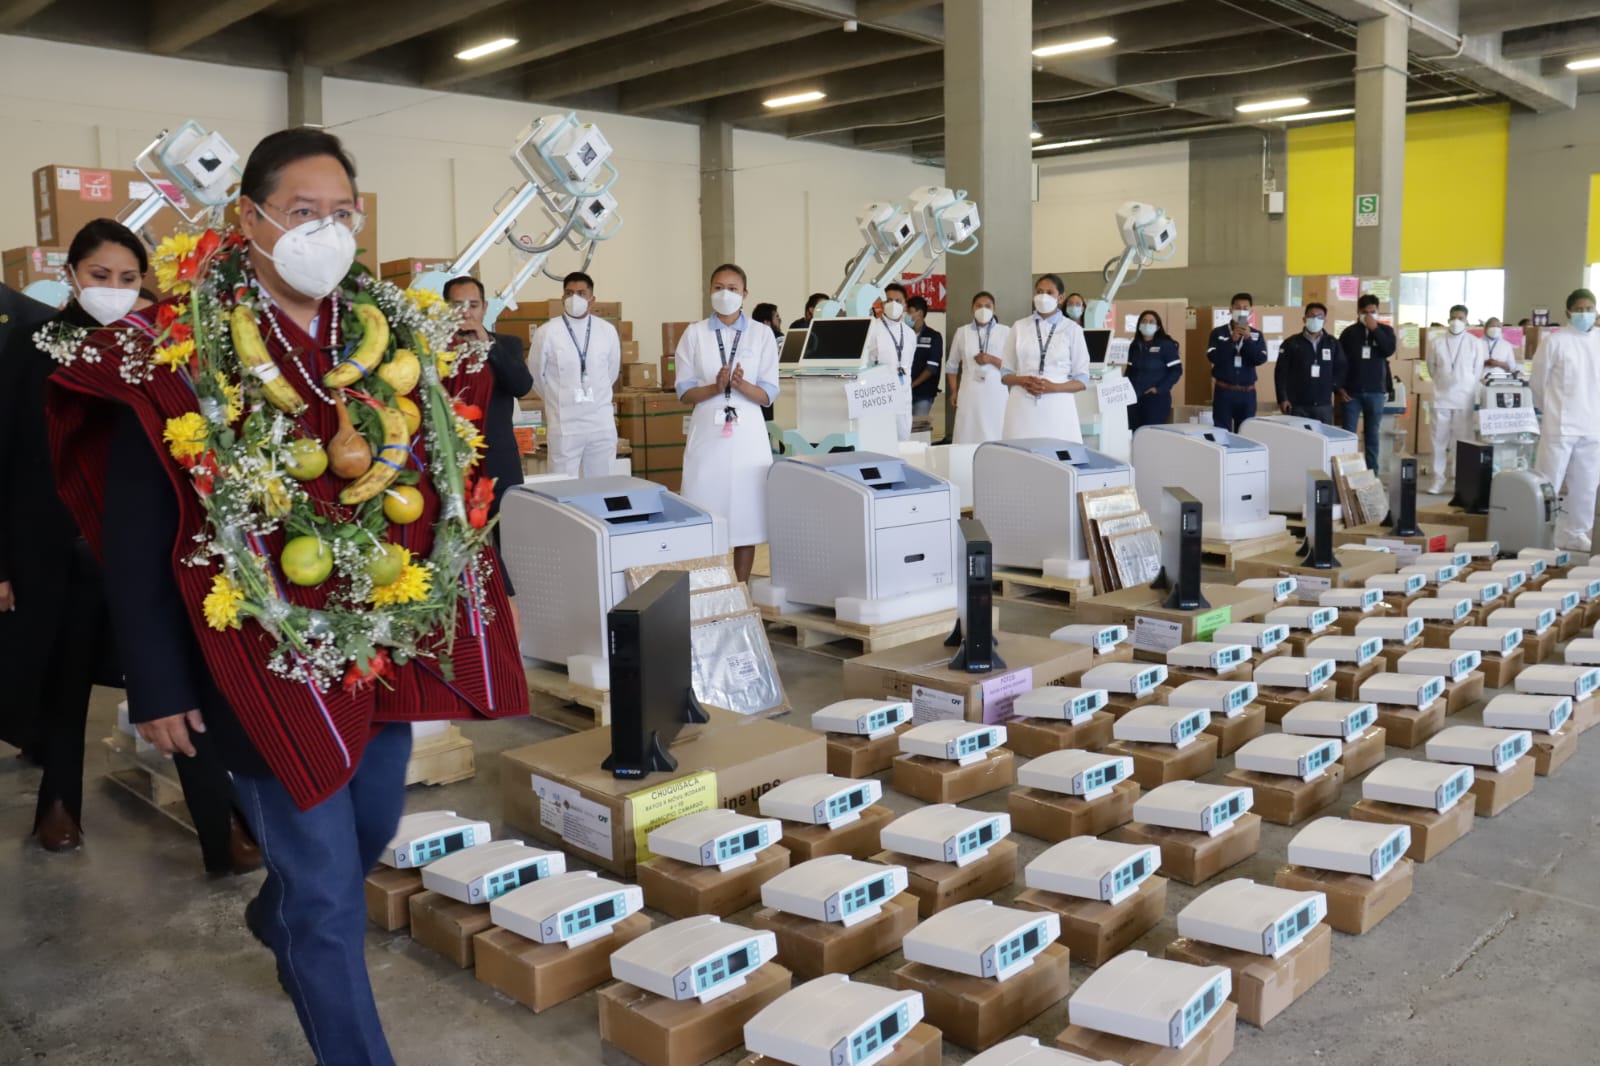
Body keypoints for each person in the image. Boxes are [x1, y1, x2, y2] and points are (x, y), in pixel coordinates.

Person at [45, 130, 527, 1065]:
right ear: (249, 220)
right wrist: (157, 680)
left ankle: (281, 917)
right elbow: (143, 537)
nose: (327, 232)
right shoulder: (176, 351)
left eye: (342, 214)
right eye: (304, 214)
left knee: (371, 828)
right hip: (250, 661)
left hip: (373, 644)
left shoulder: (382, 340)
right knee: (331, 894)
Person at [1, 221, 259, 872]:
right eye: (99, 276)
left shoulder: (152, 346)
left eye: (127, 278)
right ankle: (58, 805)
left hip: (143, 545)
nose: (114, 290)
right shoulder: (30, 349)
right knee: (65, 676)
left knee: (171, 679)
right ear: (71, 275)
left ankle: (221, 826)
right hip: (52, 544)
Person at [676, 263, 779, 582]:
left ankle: (742, 585)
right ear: (710, 292)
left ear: (745, 294)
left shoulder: (761, 334)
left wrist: (742, 386)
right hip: (708, 433)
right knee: (705, 502)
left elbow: (768, 393)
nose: (725, 294)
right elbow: (684, 391)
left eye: (733, 289)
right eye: (719, 287)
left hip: (747, 435)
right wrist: (716, 388)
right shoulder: (694, 333)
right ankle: (710, 586)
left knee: (746, 510)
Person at [445, 275, 532, 516]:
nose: (466, 314)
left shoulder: (507, 344)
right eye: (456, 306)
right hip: (449, 465)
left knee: (503, 541)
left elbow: (522, 386)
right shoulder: (433, 349)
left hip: (498, 464)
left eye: (473, 306)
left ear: (484, 308)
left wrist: (488, 344)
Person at [529, 270, 620, 479]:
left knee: (602, 485)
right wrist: (558, 396)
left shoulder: (607, 331)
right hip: (565, 424)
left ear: (592, 298)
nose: (574, 298)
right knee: (562, 486)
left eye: (581, 293)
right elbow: (536, 375)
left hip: (600, 422)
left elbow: (611, 372)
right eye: (569, 293)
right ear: (562, 298)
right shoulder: (547, 332)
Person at [1531, 288, 1600, 552]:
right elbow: (1537, 382)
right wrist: (1548, 410)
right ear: (1569, 312)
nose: (1585, 314)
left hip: (1593, 425)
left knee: (1587, 485)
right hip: (1560, 424)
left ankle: (1577, 532)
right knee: (1549, 481)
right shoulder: (1555, 341)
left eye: (1589, 309)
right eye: (1580, 309)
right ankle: (1540, 531)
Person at [1425, 304, 1510, 494]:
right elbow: (1431, 367)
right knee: (1438, 441)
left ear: (1467, 321)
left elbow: (1478, 370)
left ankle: (1458, 478)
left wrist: (1464, 383)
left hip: (1464, 398)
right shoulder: (1437, 342)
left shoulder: (1475, 343)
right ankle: (1437, 479)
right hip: (1441, 397)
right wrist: (1443, 381)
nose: (1456, 321)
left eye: (1460, 318)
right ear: (1448, 319)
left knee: (1462, 441)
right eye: (1453, 317)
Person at [1001, 273, 1090, 440]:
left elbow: (1082, 379)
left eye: (1049, 293)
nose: (1043, 297)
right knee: (1019, 457)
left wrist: (1053, 387)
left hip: (1057, 406)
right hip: (1022, 404)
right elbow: (1005, 374)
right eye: (1039, 292)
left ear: (1060, 298)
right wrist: (1022, 380)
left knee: (1059, 457)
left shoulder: (1072, 329)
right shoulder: (1019, 327)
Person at [1338, 293, 1397, 470]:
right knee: (1348, 434)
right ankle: (1347, 473)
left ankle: (1372, 474)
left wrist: (1375, 329)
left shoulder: (1385, 331)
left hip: (1376, 391)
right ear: (1358, 312)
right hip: (1351, 392)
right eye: (1365, 312)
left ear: (1378, 311)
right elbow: (1340, 362)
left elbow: (1388, 350)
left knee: (1372, 435)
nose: (1369, 316)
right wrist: (1340, 388)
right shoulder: (1348, 333)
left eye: (1373, 312)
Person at [945, 291, 1010, 444]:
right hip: (970, 392)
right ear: (972, 308)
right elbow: (952, 366)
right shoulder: (963, 332)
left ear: (994, 309)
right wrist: (954, 390)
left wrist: (991, 359)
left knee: (995, 430)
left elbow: (1012, 366)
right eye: (979, 306)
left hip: (996, 392)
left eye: (988, 306)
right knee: (968, 431)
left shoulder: (1005, 331)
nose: (983, 309)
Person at [1275, 302, 1345, 424]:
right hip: (1297, 405)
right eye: (1311, 316)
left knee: (1323, 439)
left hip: (1323, 405)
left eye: (1319, 317)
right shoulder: (1291, 343)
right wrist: (1282, 398)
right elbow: (1281, 373)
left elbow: (1341, 367)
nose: (1315, 319)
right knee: (1299, 440)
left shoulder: (1332, 343)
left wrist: (1333, 385)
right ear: (1304, 319)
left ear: (1325, 320)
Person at [1207, 292, 1268, 431]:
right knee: (1222, 431)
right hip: (1224, 390)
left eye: (1245, 308)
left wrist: (1248, 340)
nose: (1241, 311)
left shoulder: (1256, 335)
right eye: (1238, 307)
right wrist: (1230, 341)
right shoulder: (1218, 333)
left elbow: (1260, 359)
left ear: (1251, 311)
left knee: (1246, 431)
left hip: (1247, 392)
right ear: (1230, 309)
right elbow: (1213, 357)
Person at [871, 281, 916, 440]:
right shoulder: (872, 329)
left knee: (902, 440)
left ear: (905, 304)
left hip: (903, 397)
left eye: (898, 301)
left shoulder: (910, 334)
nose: (893, 304)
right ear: (882, 304)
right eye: (889, 300)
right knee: (880, 442)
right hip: (879, 398)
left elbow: (908, 365)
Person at [1126, 309, 1182, 430]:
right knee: (1133, 434)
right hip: (1134, 398)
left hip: (1156, 399)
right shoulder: (1134, 345)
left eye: (1151, 322)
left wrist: (1158, 389)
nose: (1147, 324)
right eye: (1144, 321)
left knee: (1150, 434)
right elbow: (1129, 370)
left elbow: (1176, 370)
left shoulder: (1166, 345)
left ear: (1157, 326)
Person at [907, 295, 943, 418]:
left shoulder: (934, 336)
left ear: (920, 313)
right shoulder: (904, 335)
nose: (906, 315)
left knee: (919, 429)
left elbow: (931, 368)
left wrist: (911, 384)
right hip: (904, 393)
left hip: (923, 393)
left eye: (910, 312)